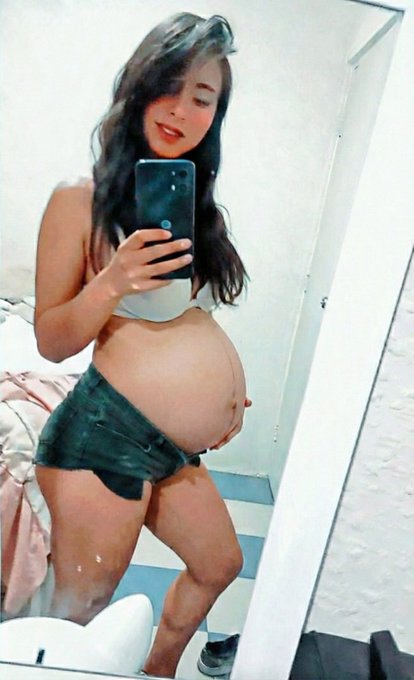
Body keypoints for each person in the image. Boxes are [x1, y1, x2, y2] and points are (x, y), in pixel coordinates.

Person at [34, 12, 251, 679]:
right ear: (138, 84)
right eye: (170, 86)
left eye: (203, 98)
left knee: (220, 564)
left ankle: (156, 671)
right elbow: (50, 340)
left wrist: (225, 396)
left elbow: (188, 323)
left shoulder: (196, 210)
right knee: (81, 617)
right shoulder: (79, 199)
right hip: (104, 438)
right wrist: (112, 280)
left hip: (170, 448)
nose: (182, 110)